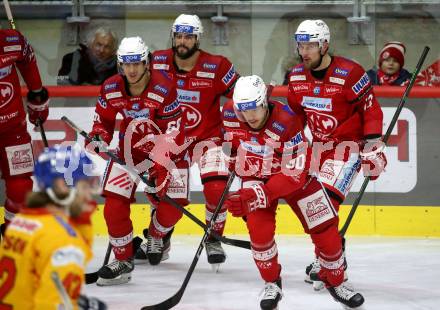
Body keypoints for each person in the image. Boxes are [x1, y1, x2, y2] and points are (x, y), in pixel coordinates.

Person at [222, 75, 365, 310]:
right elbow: (230, 143)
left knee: (325, 226)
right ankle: (272, 283)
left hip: (295, 177)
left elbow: (294, 174)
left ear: (265, 102)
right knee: (259, 233)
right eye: (243, 111)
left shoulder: (287, 120)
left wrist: (259, 194)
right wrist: (232, 161)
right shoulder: (229, 113)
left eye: (255, 109)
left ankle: (337, 282)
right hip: (255, 176)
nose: (250, 117)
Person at [287, 19, 387, 293]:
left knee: (325, 202)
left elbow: (371, 110)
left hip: (348, 148)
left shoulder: (350, 72)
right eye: (301, 45)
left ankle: (328, 260)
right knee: (312, 205)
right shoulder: (296, 76)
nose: (304, 51)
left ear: (325, 45)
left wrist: (374, 146)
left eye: (310, 45)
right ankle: (328, 254)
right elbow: (295, 116)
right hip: (318, 148)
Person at [135, 14, 239, 268]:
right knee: (168, 198)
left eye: (189, 36)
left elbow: (242, 96)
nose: (182, 42)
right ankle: (159, 237)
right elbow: (135, 88)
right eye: (179, 36)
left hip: (207, 139)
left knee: (216, 189)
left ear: (198, 38)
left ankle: (213, 237)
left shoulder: (218, 66)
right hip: (171, 142)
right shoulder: (156, 61)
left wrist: (240, 132)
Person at [87, 36, 187, 286]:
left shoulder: (164, 87)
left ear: (147, 63)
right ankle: (123, 260)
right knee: (113, 206)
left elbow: (174, 133)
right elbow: (103, 121)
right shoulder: (111, 87)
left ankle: (156, 235)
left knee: (174, 203)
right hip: (129, 154)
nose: (131, 70)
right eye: (126, 64)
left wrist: (160, 167)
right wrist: (99, 136)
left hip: (166, 153)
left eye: (137, 63)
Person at [0, 145, 106, 310]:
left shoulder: (22, 221)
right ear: (62, 187)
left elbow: (29, 278)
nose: (89, 194)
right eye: (85, 186)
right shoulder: (65, 241)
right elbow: (50, 305)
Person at [0, 29, 49, 236]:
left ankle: (12, 227)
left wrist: (37, 95)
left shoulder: (12, 41)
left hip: (13, 126)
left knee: (20, 186)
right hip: (12, 124)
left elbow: (28, 61)